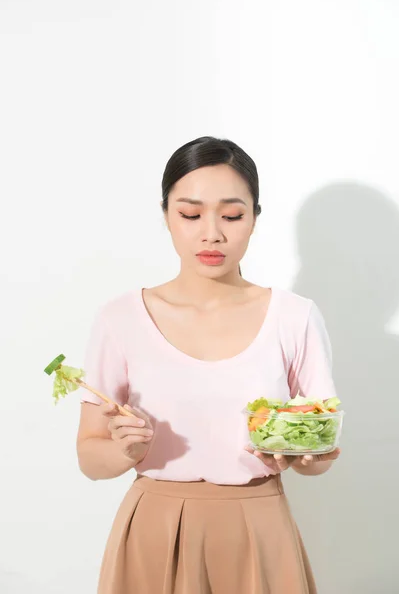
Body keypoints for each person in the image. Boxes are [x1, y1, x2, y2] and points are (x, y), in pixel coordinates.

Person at [76, 136, 340, 594]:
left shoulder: (295, 317)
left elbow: (318, 456)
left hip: (259, 525)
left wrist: (302, 454)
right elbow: (89, 458)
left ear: (255, 218)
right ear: (166, 215)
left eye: (232, 215)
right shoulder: (120, 318)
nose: (212, 233)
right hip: (154, 530)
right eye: (191, 214)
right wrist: (126, 451)